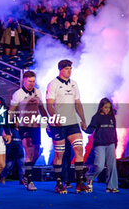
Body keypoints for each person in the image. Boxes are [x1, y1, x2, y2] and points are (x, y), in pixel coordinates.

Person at [46, 59, 88, 194]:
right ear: (61, 70)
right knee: (59, 154)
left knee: (79, 150)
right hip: (58, 124)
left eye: (71, 68)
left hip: (72, 123)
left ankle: (80, 182)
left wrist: (83, 119)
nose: (69, 71)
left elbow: (78, 103)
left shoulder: (74, 84)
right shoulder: (53, 84)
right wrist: (55, 117)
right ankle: (59, 183)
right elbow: (49, 105)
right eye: (67, 69)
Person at [8, 71, 48, 191]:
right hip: (24, 126)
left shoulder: (38, 92)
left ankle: (26, 173)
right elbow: (11, 111)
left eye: (33, 81)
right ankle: (30, 181)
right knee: (29, 150)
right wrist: (8, 127)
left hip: (36, 125)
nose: (32, 83)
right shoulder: (18, 94)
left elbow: (41, 108)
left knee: (36, 154)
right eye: (29, 81)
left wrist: (49, 121)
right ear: (24, 81)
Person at [83, 98, 119, 193]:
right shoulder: (96, 117)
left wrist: (116, 142)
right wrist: (84, 129)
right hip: (100, 145)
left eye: (109, 108)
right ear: (101, 107)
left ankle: (111, 186)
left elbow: (114, 131)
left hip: (111, 144)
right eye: (106, 107)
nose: (108, 109)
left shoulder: (112, 117)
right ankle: (89, 177)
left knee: (112, 166)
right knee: (99, 166)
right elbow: (90, 130)